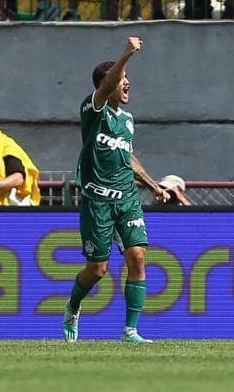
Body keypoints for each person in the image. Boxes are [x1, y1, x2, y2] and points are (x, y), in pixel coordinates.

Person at [62, 37, 170, 344]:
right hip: (97, 200)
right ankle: (72, 307)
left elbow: (128, 157)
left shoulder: (127, 120)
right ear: (107, 85)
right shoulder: (92, 109)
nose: (127, 84)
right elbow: (109, 82)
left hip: (127, 198)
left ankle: (130, 330)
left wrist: (153, 185)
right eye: (123, 80)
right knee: (97, 270)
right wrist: (126, 54)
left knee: (137, 256)